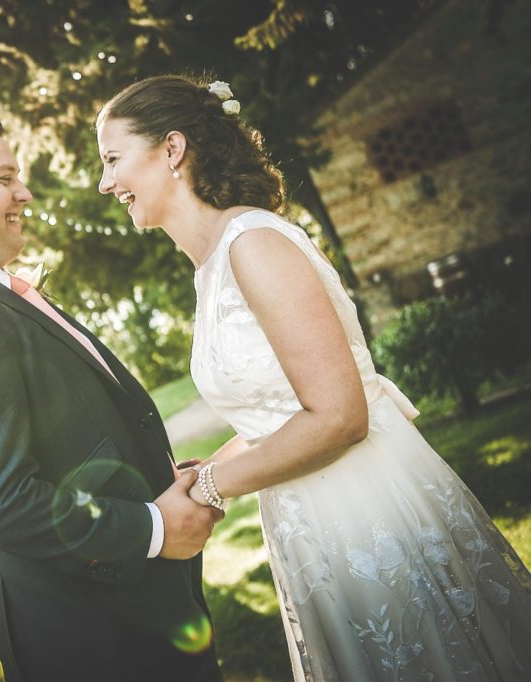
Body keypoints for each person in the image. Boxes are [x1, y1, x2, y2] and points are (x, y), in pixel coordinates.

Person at [96, 74, 531, 681]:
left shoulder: (253, 244)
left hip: (366, 506)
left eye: (113, 159)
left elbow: (340, 416)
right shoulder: (212, 264)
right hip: (310, 521)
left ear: (171, 150)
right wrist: (197, 469)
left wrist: (210, 488)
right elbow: (276, 413)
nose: (105, 181)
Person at [0, 114, 225, 681]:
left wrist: (157, 477)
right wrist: (154, 527)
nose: (24, 192)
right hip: (97, 645)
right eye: (3, 179)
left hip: (140, 621)